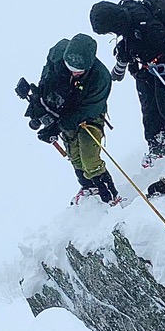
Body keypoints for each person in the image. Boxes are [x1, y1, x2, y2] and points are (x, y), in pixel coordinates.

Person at [89, 0, 165, 168]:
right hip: (145, 66)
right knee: (149, 107)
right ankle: (157, 147)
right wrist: (125, 65)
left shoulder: (146, 25)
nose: (110, 34)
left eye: (108, 31)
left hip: (163, 65)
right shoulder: (126, 20)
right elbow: (128, 43)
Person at [32, 33, 121, 206]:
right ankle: (88, 186)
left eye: (78, 71)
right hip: (64, 108)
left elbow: (89, 109)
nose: (73, 72)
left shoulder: (101, 78)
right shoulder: (57, 53)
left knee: (89, 156)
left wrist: (58, 126)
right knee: (74, 154)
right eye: (69, 67)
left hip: (89, 115)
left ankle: (109, 194)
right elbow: (47, 77)